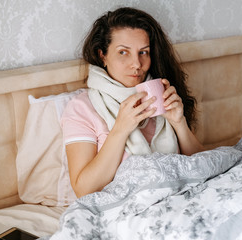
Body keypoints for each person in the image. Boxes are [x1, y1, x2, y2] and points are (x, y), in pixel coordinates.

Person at [61, 7, 204, 198]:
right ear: (102, 55)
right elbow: (83, 189)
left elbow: (202, 166)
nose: (137, 64)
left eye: (143, 52)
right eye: (123, 52)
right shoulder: (82, 107)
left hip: (183, 196)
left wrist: (180, 123)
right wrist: (120, 129)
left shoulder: (162, 93)